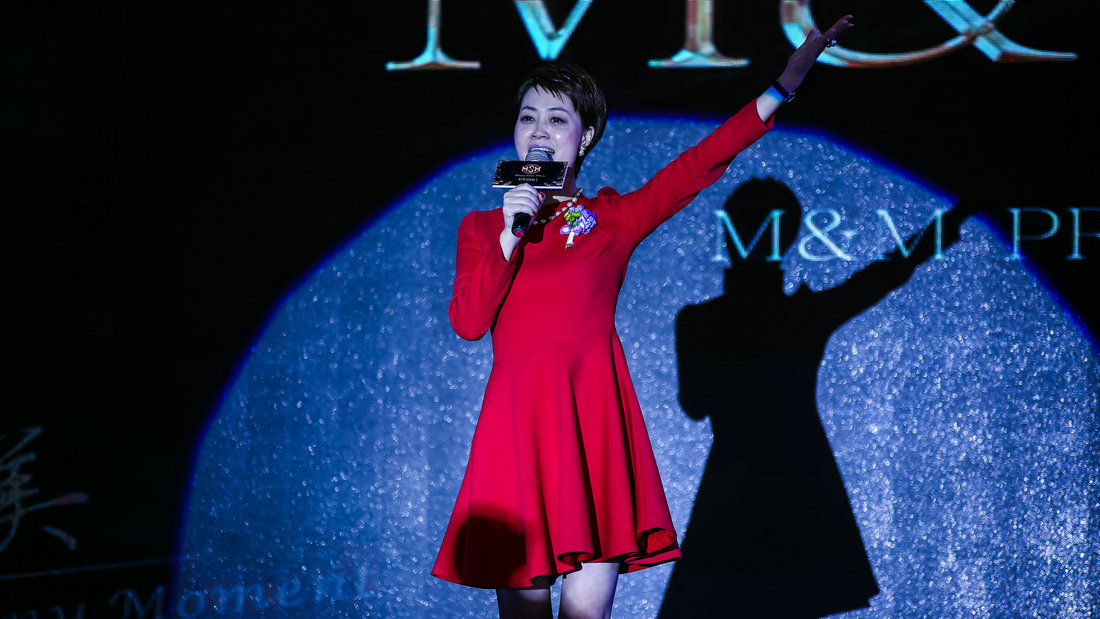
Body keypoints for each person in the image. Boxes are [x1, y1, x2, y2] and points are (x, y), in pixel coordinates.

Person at [431, 16, 855, 619]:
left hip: (592, 432)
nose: (540, 131)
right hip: (517, 430)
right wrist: (510, 234)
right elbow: (469, 322)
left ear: (586, 137)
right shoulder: (481, 228)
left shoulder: (613, 219)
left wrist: (783, 85)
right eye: (528, 117)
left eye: (557, 119)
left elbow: (701, 161)